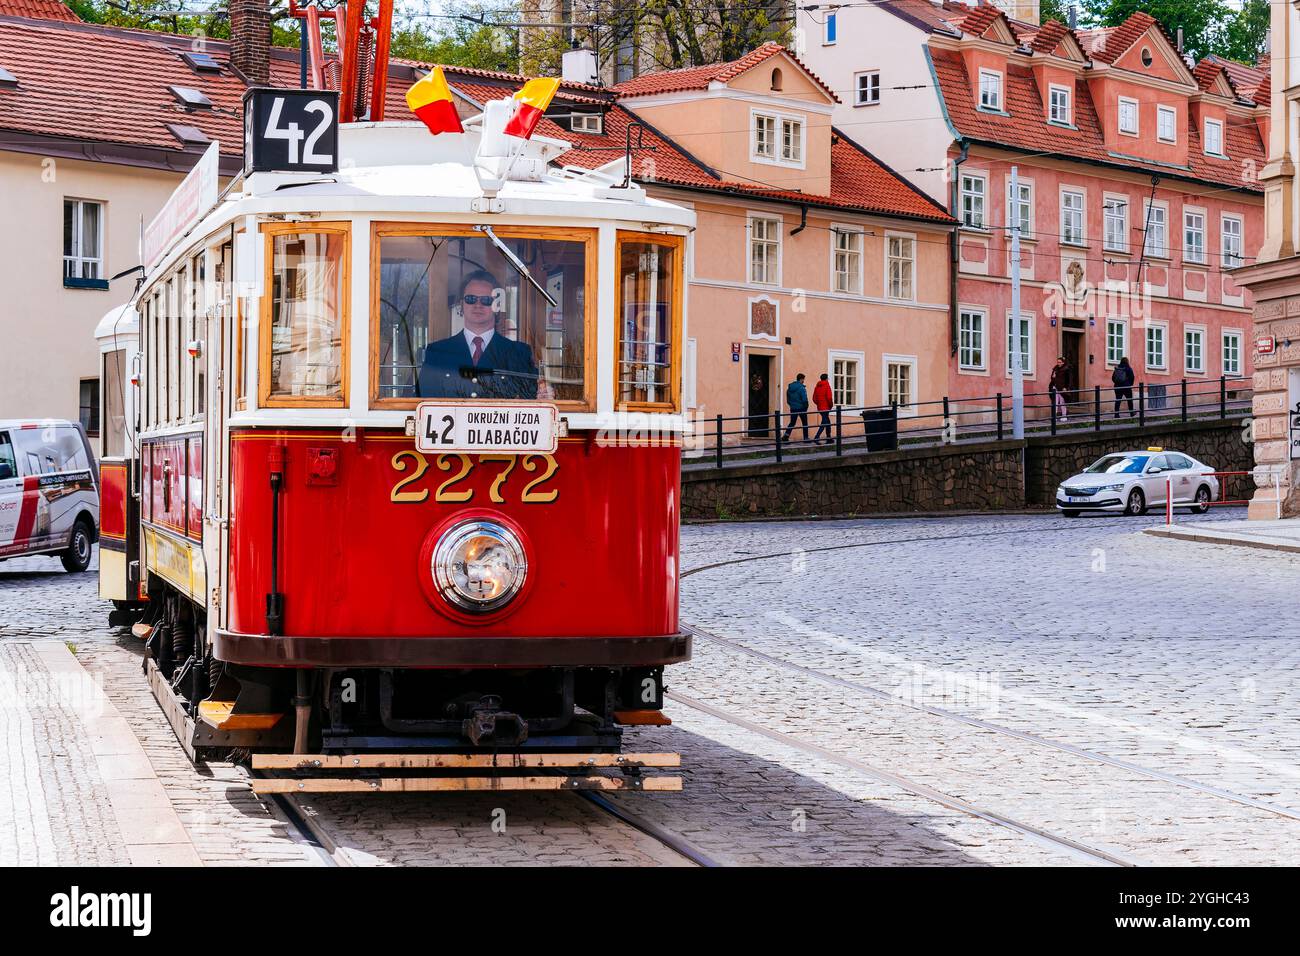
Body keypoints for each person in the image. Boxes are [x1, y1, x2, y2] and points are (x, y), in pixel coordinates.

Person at [418, 270, 546, 400]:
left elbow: (534, 401)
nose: (478, 305)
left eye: (486, 300)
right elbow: (419, 401)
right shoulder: (437, 352)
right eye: (471, 299)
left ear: (497, 306)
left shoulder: (519, 353)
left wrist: (544, 397)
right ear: (462, 304)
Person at [782, 373, 810, 442]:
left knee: (792, 422)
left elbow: (788, 400)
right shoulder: (801, 388)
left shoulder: (790, 388)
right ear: (801, 379)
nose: (803, 381)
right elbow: (804, 399)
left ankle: (786, 436)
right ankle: (806, 438)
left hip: (793, 408)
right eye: (803, 379)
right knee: (805, 423)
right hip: (801, 408)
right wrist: (806, 407)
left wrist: (792, 405)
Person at [812, 372, 834, 445]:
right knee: (824, 422)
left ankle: (829, 438)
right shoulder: (827, 385)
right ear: (826, 378)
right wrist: (831, 405)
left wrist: (819, 404)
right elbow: (829, 397)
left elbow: (814, 398)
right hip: (826, 408)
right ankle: (816, 437)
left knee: (827, 422)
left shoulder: (817, 386)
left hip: (820, 408)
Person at [1049, 356, 1071, 422]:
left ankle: (1064, 416)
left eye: (1060, 362)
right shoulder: (1055, 368)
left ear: (1063, 363)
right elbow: (1052, 378)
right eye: (1058, 362)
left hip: (1062, 388)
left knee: (1062, 402)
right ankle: (1054, 416)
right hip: (1055, 387)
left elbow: (1069, 379)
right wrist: (1053, 377)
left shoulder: (1066, 369)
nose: (1058, 363)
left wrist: (1066, 387)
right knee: (1055, 402)